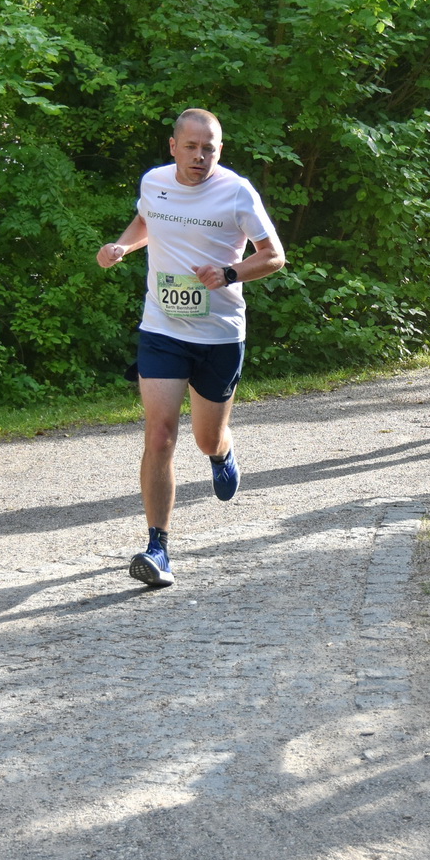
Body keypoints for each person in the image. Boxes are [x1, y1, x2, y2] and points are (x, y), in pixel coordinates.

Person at [96, 109, 286, 588]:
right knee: (159, 436)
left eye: (211, 149)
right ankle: (157, 547)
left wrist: (229, 273)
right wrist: (121, 247)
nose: (201, 157)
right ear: (173, 145)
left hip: (219, 335)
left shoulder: (237, 191)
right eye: (192, 147)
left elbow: (274, 256)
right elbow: (147, 222)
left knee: (206, 438)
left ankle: (221, 453)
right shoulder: (154, 183)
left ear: (220, 150)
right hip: (161, 329)